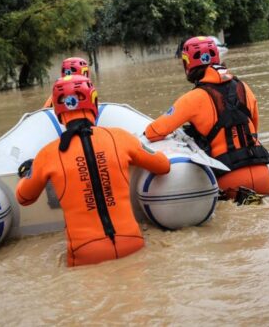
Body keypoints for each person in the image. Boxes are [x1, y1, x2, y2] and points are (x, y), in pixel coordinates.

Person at [16, 74, 171, 267]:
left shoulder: (47, 155)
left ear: (56, 110)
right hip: (132, 244)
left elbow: (24, 198)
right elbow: (163, 166)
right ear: (94, 102)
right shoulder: (121, 138)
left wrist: (28, 172)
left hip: (85, 255)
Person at [144, 36, 269, 200]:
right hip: (263, 175)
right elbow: (254, 129)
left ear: (187, 65)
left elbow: (153, 132)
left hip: (229, 180)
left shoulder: (193, 98)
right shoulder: (244, 88)